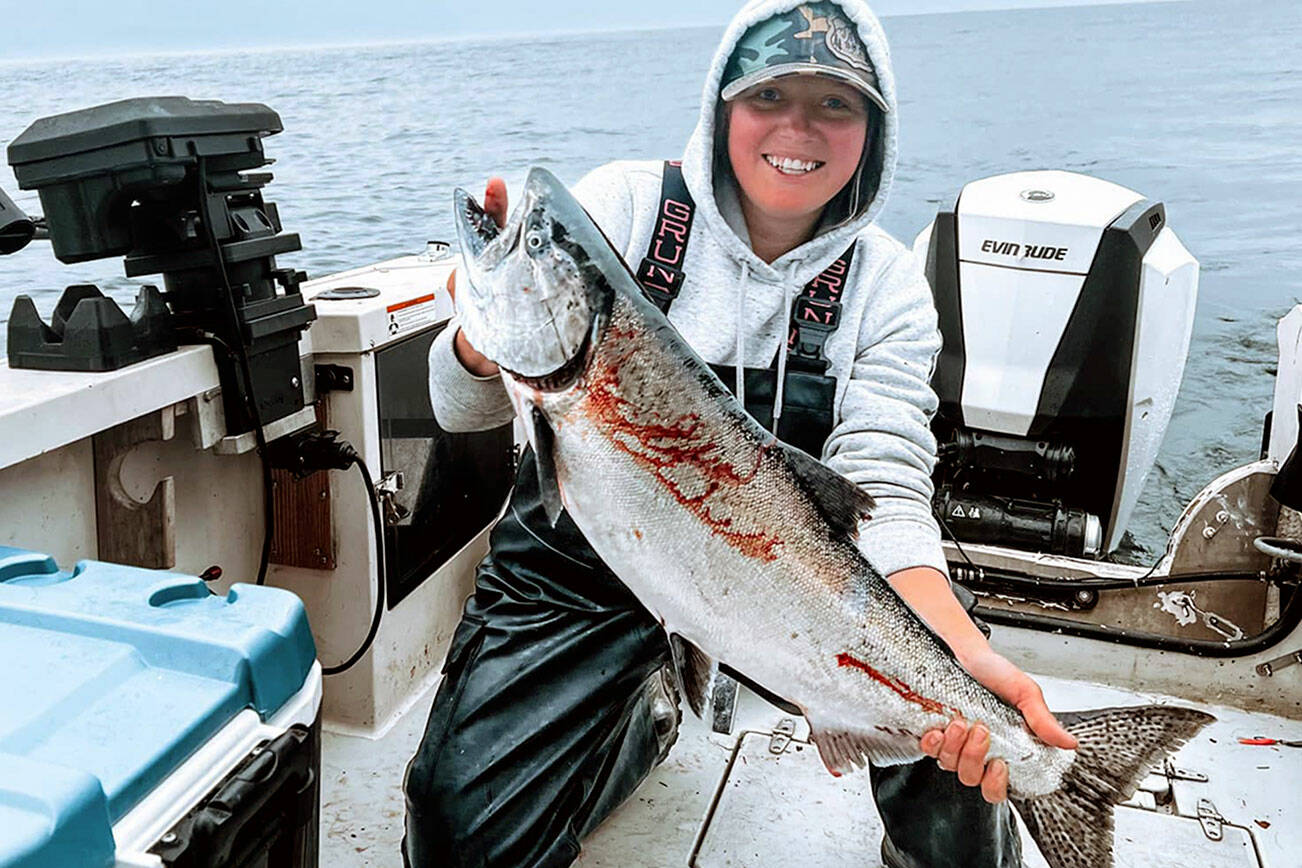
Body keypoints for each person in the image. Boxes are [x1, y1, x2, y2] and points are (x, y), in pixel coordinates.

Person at [405, 2, 1077, 866]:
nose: (798, 128)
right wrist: (483, 328)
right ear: (723, 106)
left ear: (873, 131)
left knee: (951, 743)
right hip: (578, 577)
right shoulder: (628, 207)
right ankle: (640, 718)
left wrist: (961, 654)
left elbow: (886, 486)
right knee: (455, 838)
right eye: (769, 96)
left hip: (784, 592)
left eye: (835, 104)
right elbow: (463, 410)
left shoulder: (889, 288)